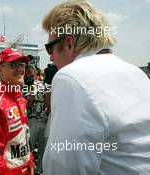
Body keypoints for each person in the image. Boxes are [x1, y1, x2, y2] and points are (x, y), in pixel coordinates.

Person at [42, 0, 150, 174]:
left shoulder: (71, 76)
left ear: (69, 43)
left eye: (50, 49)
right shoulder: (135, 72)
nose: (51, 58)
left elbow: (63, 168)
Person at [24, 64, 48, 175]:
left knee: (43, 150)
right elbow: (26, 105)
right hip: (31, 122)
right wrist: (30, 96)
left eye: (31, 73)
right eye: (27, 73)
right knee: (29, 149)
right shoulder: (23, 87)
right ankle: (30, 170)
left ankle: (40, 170)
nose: (30, 75)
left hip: (44, 121)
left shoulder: (44, 85)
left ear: (36, 73)